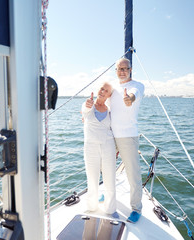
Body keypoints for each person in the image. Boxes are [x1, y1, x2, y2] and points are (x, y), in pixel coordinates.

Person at [109, 57, 145, 223]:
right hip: (109, 134)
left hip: (127, 135)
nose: (122, 71)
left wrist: (129, 99)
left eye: (125, 68)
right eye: (119, 69)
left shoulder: (137, 86)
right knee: (106, 167)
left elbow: (134, 95)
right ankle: (107, 196)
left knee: (133, 174)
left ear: (130, 69)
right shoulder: (112, 87)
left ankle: (136, 208)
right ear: (116, 70)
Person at [82, 82, 118, 218]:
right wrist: (87, 106)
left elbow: (115, 127)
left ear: (109, 95)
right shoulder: (88, 104)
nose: (103, 91)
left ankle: (110, 209)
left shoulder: (109, 109)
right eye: (102, 88)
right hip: (90, 147)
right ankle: (91, 207)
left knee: (110, 178)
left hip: (108, 146)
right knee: (92, 178)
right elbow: (85, 111)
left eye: (106, 90)